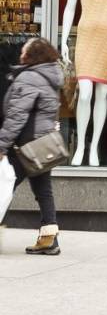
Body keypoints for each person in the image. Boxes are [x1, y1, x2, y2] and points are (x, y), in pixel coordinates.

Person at [0, 37, 66, 255]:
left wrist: (2, 145)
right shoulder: (50, 76)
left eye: (25, 50)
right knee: (43, 191)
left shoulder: (30, 77)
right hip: (41, 145)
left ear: (33, 55)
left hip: (24, 145)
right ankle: (49, 239)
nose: (21, 53)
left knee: (3, 186)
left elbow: (16, 116)